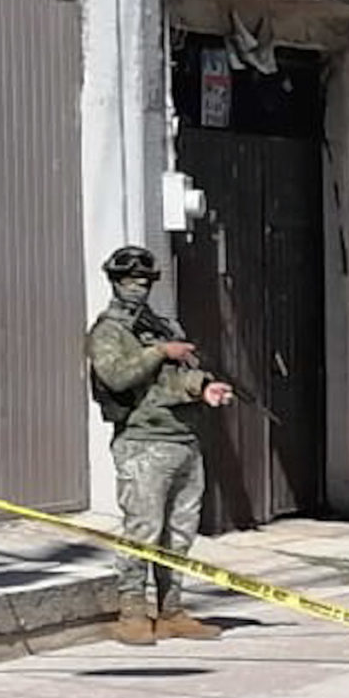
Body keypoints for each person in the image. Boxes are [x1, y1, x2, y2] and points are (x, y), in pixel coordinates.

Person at [85, 246, 235, 646]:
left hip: (183, 439)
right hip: (142, 442)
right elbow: (117, 376)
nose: (137, 287)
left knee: (180, 534)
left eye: (144, 281)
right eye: (128, 280)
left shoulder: (164, 326)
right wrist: (158, 352)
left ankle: (171, 610)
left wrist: (205, 388)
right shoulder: (108, 331)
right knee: (143, 530)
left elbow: (178, 377)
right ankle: (132, 611)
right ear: (115, 282)